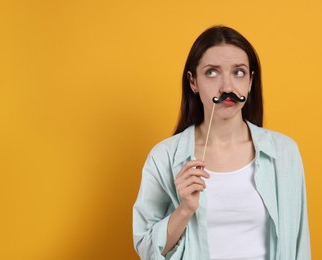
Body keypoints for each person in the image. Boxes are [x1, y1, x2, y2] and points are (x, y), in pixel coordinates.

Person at [132, 25, 311, 260]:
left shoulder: (284, 153)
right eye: (212, 72)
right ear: (193, 82)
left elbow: (299, 247)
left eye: (238, 72)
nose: (227, 87)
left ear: (250, 81)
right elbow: (146, 248)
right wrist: (184, 209)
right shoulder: (164, 157)